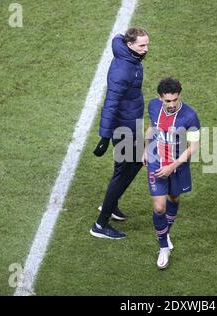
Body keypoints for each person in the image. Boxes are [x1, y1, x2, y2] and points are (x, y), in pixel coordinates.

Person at [90, 27, 149, 240]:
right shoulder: (124, 69)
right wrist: (105, 137)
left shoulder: (130, 57)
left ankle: (111, 205)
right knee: (128, 168)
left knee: (127, 167)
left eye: (147, 44)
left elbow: (118, 36)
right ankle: (100, 224)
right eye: (142, 45)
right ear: (130, 45)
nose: (146, 49)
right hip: (124, 129)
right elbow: (110, 103)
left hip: (130, 124)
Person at [142, 78, 200, 269]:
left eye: (175, 99)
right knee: (160, 208)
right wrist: (145, 149)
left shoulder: (190, 116)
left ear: (179, 95)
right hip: (156, 163)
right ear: (160, 98)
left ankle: (165, 231)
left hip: (177, 166)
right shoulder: (153, 106)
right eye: (168, 101)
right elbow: (152, 126)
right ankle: (163, 247)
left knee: (173, 198)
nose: (172, 104)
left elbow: (194, 146)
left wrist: (172, 165)